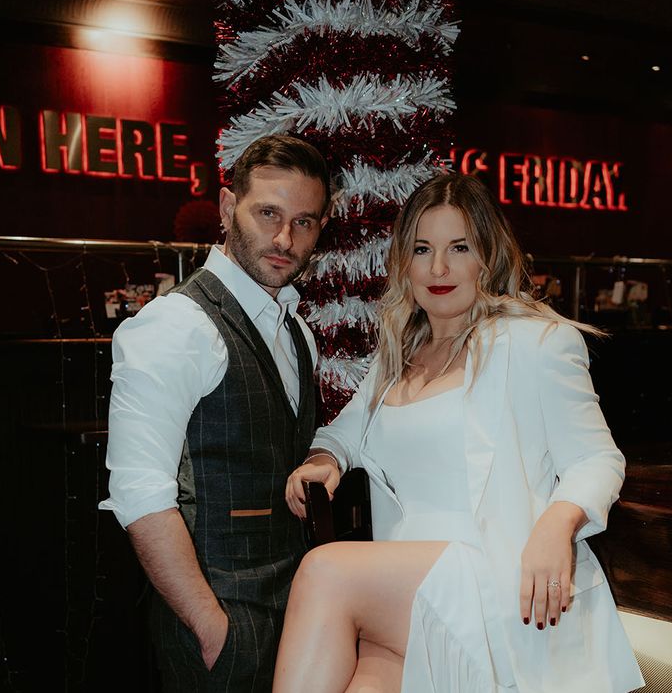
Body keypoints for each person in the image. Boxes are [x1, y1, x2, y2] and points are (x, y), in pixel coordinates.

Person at [274, 173, 644, 693]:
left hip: (495, 579)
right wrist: (324, 460)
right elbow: (344, 433)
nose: (439, 268)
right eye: (423, 249)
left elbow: (599, 460)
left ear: (487, 257)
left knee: (324, 572)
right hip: (407, 586)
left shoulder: (537, 341)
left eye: (459, 247)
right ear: (405, 263)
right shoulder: (397, 354)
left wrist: (556, 524)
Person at [99, 135, 330, 692]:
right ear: (229, 209)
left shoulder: (297, 329)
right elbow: (138, 493)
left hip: (299, 615)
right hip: (220, 626)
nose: (283, 238)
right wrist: (211, 628)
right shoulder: (173, 326)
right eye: (267, 213)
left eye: (304, 222)